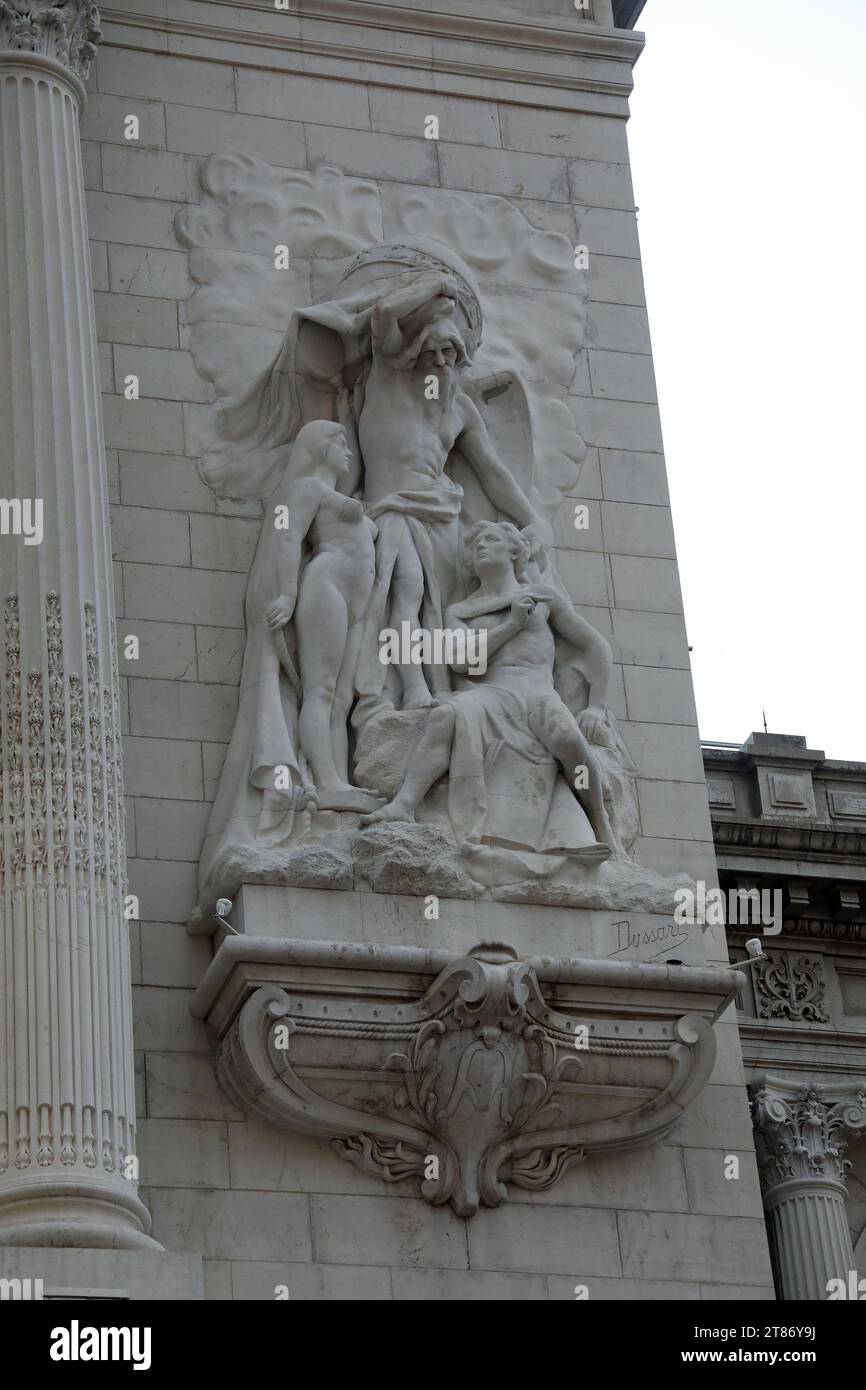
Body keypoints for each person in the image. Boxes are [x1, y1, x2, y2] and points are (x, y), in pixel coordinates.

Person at [361, 521, 623, 861]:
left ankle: (600, 821)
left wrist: (597, 707)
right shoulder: (460, 611)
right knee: (445, 716)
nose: (480, 546)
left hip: (536, 690)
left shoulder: (544, 598)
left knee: (569, 741)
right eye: (475, 544)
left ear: (515, 551)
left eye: (491, 539)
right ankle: (404, 804)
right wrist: (512, 624)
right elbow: (460, 661)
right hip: (492, 692)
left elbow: (596, 646)